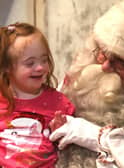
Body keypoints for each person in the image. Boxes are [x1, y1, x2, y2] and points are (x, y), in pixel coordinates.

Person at [50, 0, 124, 167]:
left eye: (120, 62)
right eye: (102, 54)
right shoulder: (75, 82)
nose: (105, 66)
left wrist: (95, 137)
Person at [0, 22, 75, 168]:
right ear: (7, 67)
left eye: (44, 60)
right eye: (30, 63)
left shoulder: (59, 102)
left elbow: (71, 146)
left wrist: (61, 130)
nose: (40, 67)